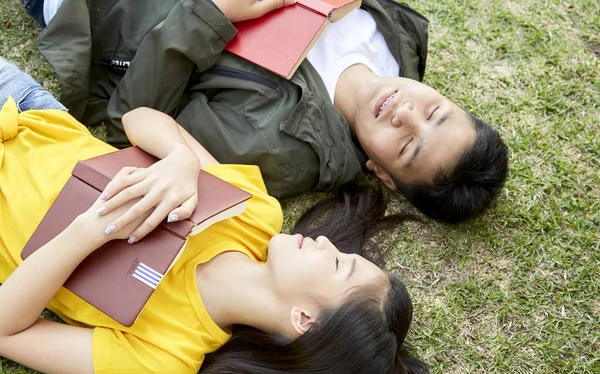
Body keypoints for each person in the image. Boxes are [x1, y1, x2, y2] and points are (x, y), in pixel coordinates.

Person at [0, 57, 428, 374]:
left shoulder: (166, 356)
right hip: (22, 110)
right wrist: (180, 160)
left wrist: (89, 232)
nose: (324, 242)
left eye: (337, 264)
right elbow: (139, 119)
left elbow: (6, 330)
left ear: (304, 320)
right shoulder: (255, 214)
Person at [21, 0, 509, 223]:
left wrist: (211, 13)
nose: (407, 112)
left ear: (381, 173)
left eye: (407, 146)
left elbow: (134, 110)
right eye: (438, 112)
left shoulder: (282, 147)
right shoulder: (401, 38)